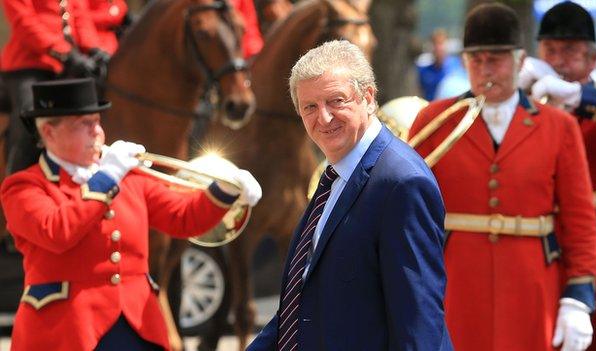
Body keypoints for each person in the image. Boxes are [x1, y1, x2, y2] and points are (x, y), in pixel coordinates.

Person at [0, 78, 262, 350]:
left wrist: (225, 190)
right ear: (49, 133)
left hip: (138, 323)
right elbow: (57, 232)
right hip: (67, 328)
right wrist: (108, 177)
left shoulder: (128, 177)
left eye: (97, 122)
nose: (97, 132)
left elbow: (184, 218)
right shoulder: (25, 187)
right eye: (83, 124)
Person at [409, 3, 596, 351]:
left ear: (520, 60)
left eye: (495, 58)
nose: (485, 69)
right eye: (475, 59)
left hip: (532, 281)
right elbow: (410, 214)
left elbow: (579, 218)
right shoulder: (434, 120)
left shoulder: (559, 126)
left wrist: (578, 296)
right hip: (456, 281)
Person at [247, 40, 452, 351]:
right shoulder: (335, 173)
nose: (324, 118)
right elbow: (300, 305)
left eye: (336, 101)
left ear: (368, 98)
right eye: (310, 107)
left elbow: (418, 321)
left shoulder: (402, 183)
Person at [519, 2, 596, 350]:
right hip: (546, 245)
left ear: (593, 60)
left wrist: (580, 96)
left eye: (570, 51)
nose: (559, 61)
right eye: (550, 50)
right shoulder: (527, 106)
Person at [1, 0, 107, 175]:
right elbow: (23, 21)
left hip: (69, 63)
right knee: (28, 120)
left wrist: (93, 48)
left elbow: (79, 15)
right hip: (29, 63)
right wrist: (63, 52)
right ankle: (16, 183)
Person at [416, 28, 463, 101]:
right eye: (435, 44)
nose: (438, 48)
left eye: (441, 43)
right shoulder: (423, 71)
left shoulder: (458, 67)